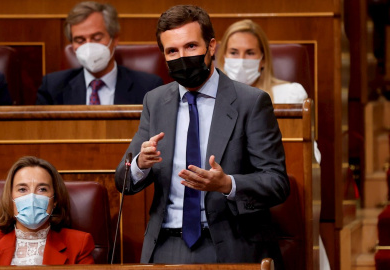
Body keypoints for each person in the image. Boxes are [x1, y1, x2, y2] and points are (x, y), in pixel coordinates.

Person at [115, 5, 288, 268]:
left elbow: (276, 182)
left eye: (191, 47)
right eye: (172, 51)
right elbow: (123, 179)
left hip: (232, 243)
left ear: (211, 46)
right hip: (166, 245)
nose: (182, 57)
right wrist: (140, 163)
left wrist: (227, 184)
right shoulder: (156, 101)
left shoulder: (250, 102)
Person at [0, 156, 95, 265]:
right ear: (10, 198)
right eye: (22, 189)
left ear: (54, 200)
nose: (32, 198)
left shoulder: (79, 244)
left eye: (42, 189)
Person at [36, 1, 163, 105]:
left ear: (115, 39)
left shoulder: (148, 87)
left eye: (97, 38)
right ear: (72, 45)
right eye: (80, 40)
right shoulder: (52, 87)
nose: (89, 45)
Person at [216, 19, 308, 104]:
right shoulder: (210, 96)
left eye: (250, 53)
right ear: (223, 57)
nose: (241, 60)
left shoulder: (289, 96)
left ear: (263, 60)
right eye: (233, 52)